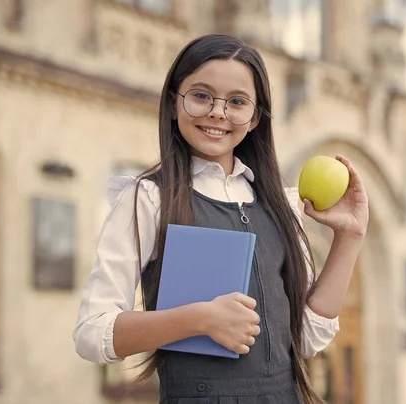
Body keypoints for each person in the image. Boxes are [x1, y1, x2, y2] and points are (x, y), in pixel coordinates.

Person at [73, 34, 369, 404]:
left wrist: (351, 236)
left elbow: (307, 338)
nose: (217, 112)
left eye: (237, 102)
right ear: (172, 103)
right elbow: (91, 333)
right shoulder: (149, 199)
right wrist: (199, 319)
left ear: (256, 117)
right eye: (201, 95)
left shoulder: (281, 206)